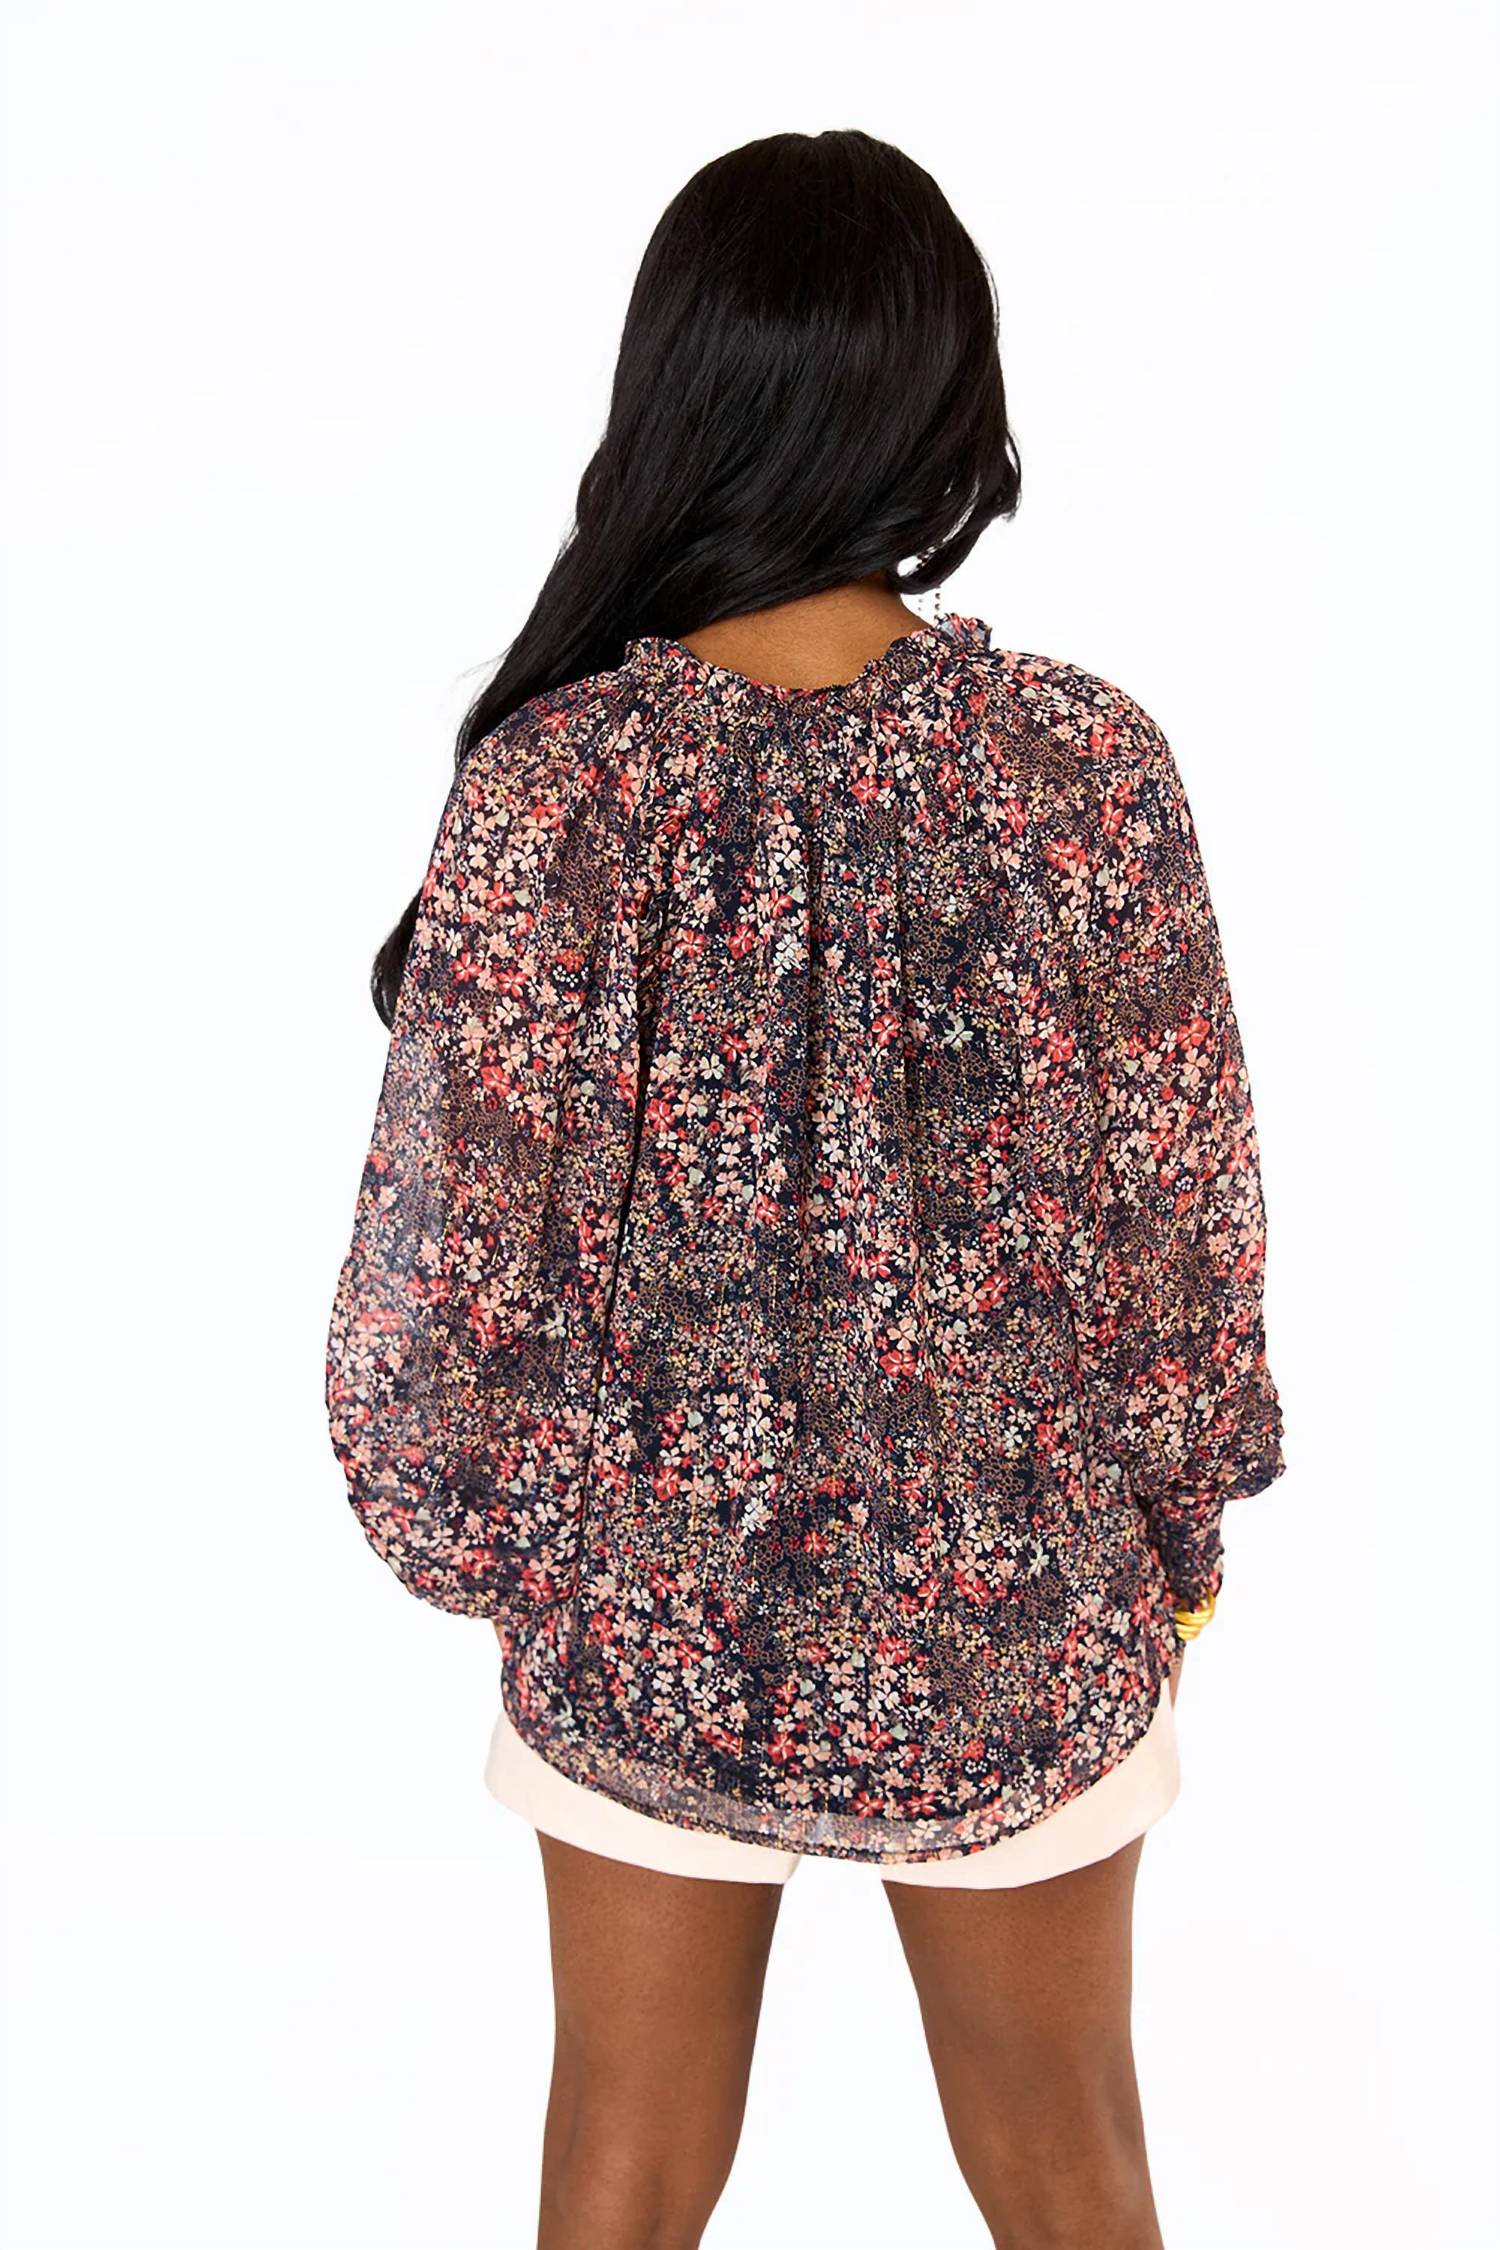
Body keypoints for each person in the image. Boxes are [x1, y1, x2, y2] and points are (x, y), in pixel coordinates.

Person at [325, 127, 1285, 2250]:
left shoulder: (554, 785)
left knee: (623, 2170)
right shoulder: (1079, 767)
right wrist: (1176, 1533)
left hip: (641, 1608)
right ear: (944, 394)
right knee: (1074, 2170)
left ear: (676, 387)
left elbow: (446, 1269)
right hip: (1022, 1602)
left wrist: (502, 1548)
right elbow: (1182, 1216)